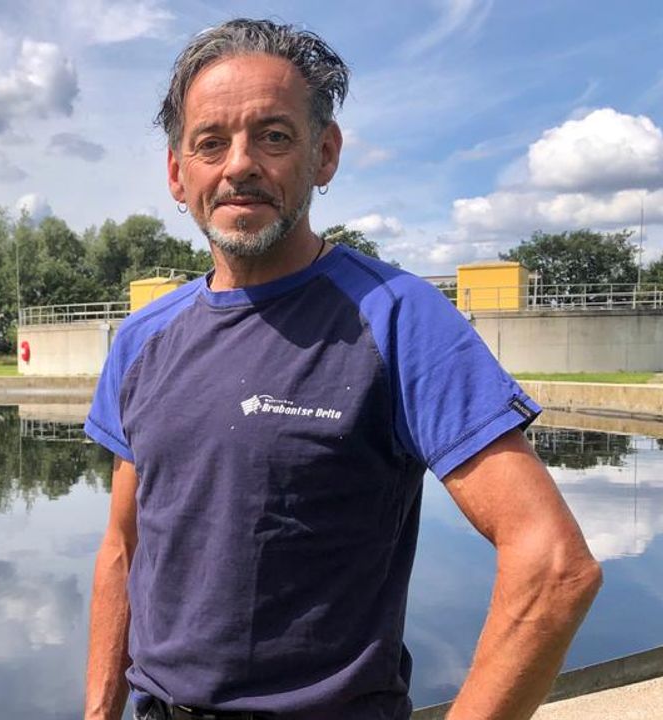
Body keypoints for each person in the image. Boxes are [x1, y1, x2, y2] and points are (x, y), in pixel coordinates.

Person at [83, 18, 602, 720]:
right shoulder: (144, 338)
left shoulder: (399, 318)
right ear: (178, 174)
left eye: (273, 136)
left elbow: (553, 564)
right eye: (211, 142)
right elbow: (122, 547)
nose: (239, 164)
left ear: (324, 155)